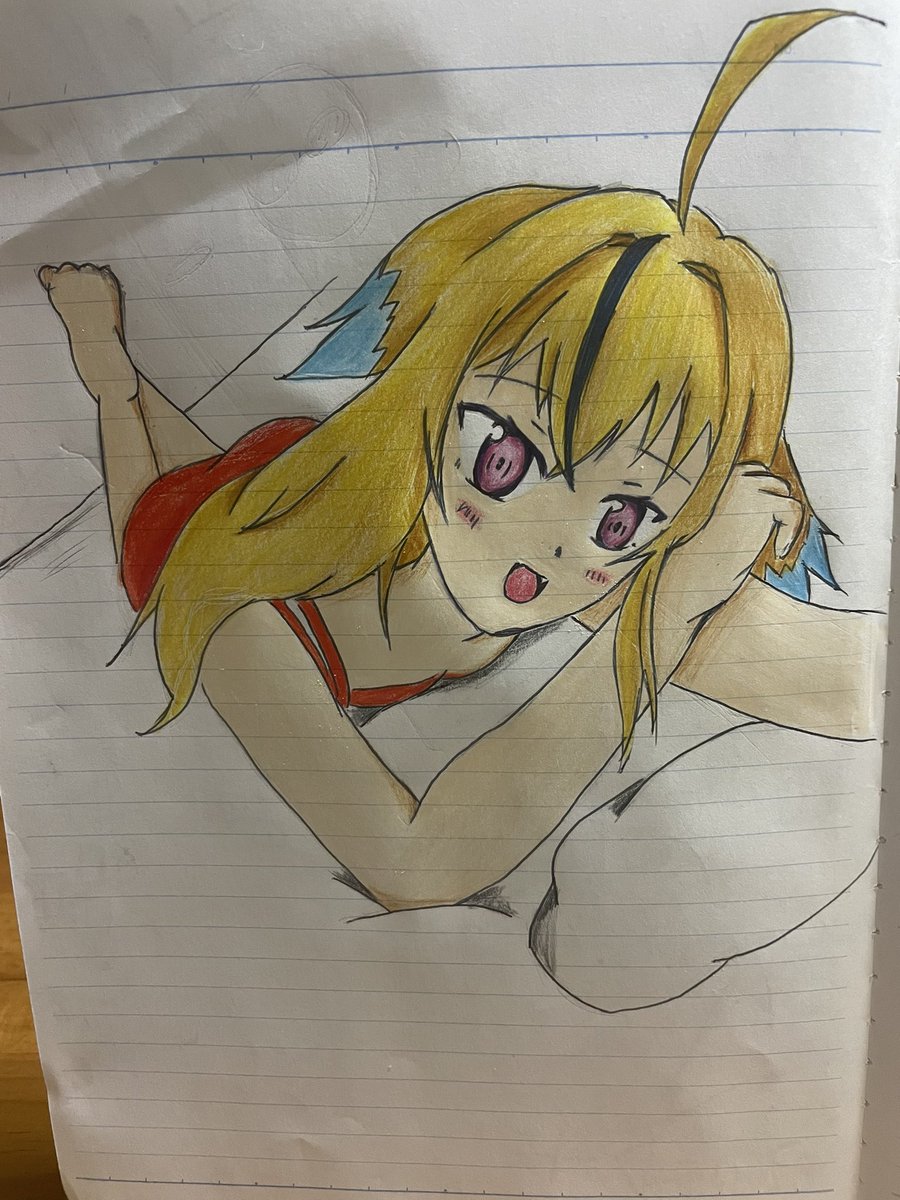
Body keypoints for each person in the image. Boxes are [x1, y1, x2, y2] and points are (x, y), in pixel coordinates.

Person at [38, 8, 876, 915]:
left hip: (316, 482)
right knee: (158, 487)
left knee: (226, 467)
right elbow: (412, 862)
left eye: (623, 515)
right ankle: (110, 370)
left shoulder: (578, 568)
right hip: (210, 549)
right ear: (434, 395)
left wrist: (681, 571)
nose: (545, 543)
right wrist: (666, 610)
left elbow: (841, 678)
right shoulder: (242, 624)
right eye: (504, 457)